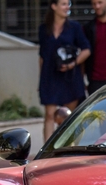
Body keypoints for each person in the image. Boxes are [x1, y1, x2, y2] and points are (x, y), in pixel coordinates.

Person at [38, 0, 91, 142]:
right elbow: (42, 56)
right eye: (63, 4)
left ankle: (71, 149)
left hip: (69, 76)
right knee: (49, 115)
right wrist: (41, 80)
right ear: (53, 6)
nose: (67, 7)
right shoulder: (44, 29)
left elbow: (86, 50)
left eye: (68, 4)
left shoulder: (74, 27)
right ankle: (47, 152)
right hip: (49, 76)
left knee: (71, 117)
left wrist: (73, 64)